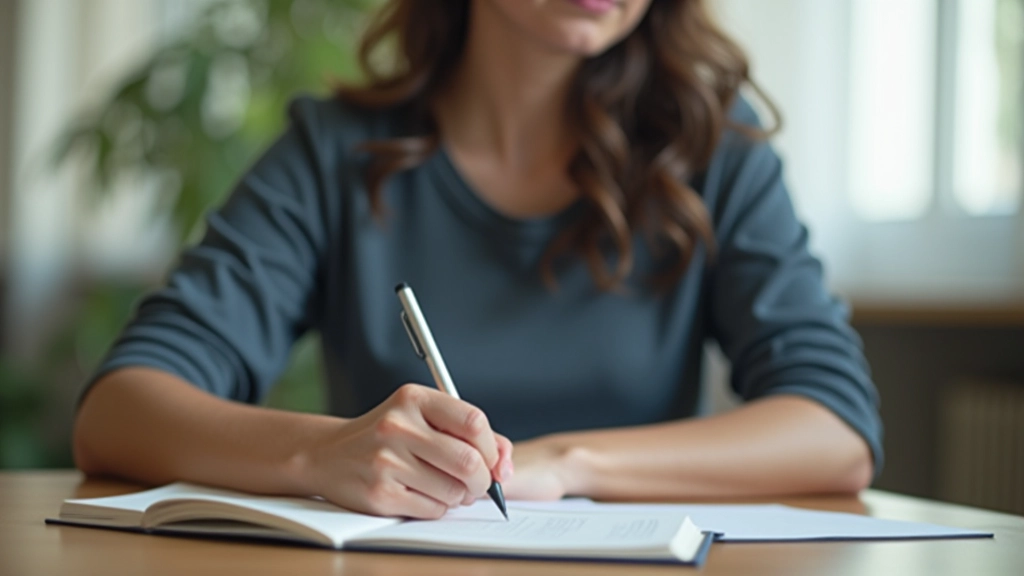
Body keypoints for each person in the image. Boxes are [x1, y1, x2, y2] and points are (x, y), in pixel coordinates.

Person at [73, 0, 882, 519]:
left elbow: (836, 428)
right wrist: (323, 453)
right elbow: (119, 410)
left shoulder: (709, 148)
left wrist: (565, 464)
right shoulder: (337, 154)